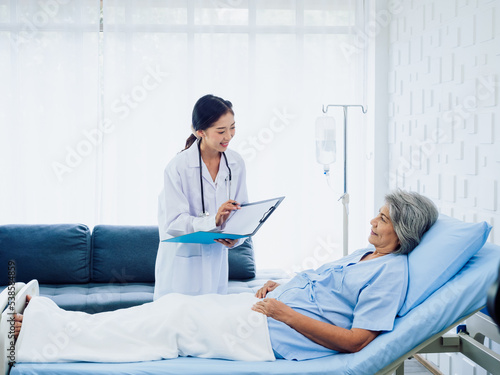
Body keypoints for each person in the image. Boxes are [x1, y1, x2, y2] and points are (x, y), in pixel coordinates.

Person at [11, 189, 438, 363]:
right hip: (263, 312)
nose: (373, 221)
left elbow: (357, 342)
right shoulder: (366, 254)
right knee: (173, 308)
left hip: (269, 335)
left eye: (383, 219)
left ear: (403, 230)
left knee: (170, 323)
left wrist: (284, 313)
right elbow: (323, 289)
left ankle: (35, 335)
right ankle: (44, 319)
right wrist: (281, 288)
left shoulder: (390, 273)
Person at [154, 94, 250, 299]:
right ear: (200, 132)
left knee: (212, 323)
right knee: (178, 324)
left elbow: (243, 211)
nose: (229, 136)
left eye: (232, 127)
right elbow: (173, 222)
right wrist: (213, 220)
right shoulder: (178, 167)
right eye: (221, 131)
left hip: (216, 262)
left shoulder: (236, 163)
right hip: (182, 266)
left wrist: (236, 238)